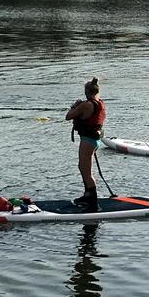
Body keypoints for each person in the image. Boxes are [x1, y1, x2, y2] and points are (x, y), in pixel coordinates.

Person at [65, 77, 106, 209]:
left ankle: (92, 201)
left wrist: (74, 106)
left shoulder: (86, 105)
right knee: (82, 167)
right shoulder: (99, 103)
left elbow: (68, 116)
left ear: (86, 91)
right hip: (93, 140)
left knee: (87, 172)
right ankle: (87, 194)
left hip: (88, 141)